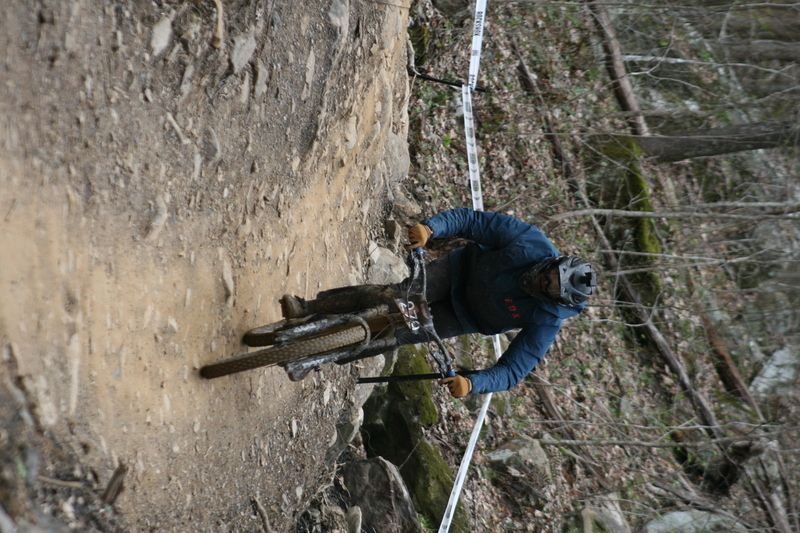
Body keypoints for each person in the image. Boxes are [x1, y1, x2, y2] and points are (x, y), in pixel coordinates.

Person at [280, 208, 596, 397]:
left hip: (462, 317)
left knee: (394, 336)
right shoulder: (529, 240)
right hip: (455, 271)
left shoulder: (547, 319)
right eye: (549, 275)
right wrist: (432, 229)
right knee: (393, 298)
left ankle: (316, 357)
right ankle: (308, 308)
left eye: (550, 288)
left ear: (556, 300)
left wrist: (473, 384)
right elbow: (475, 222)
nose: (543, 282)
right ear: (556, 262)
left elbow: (514, 370)